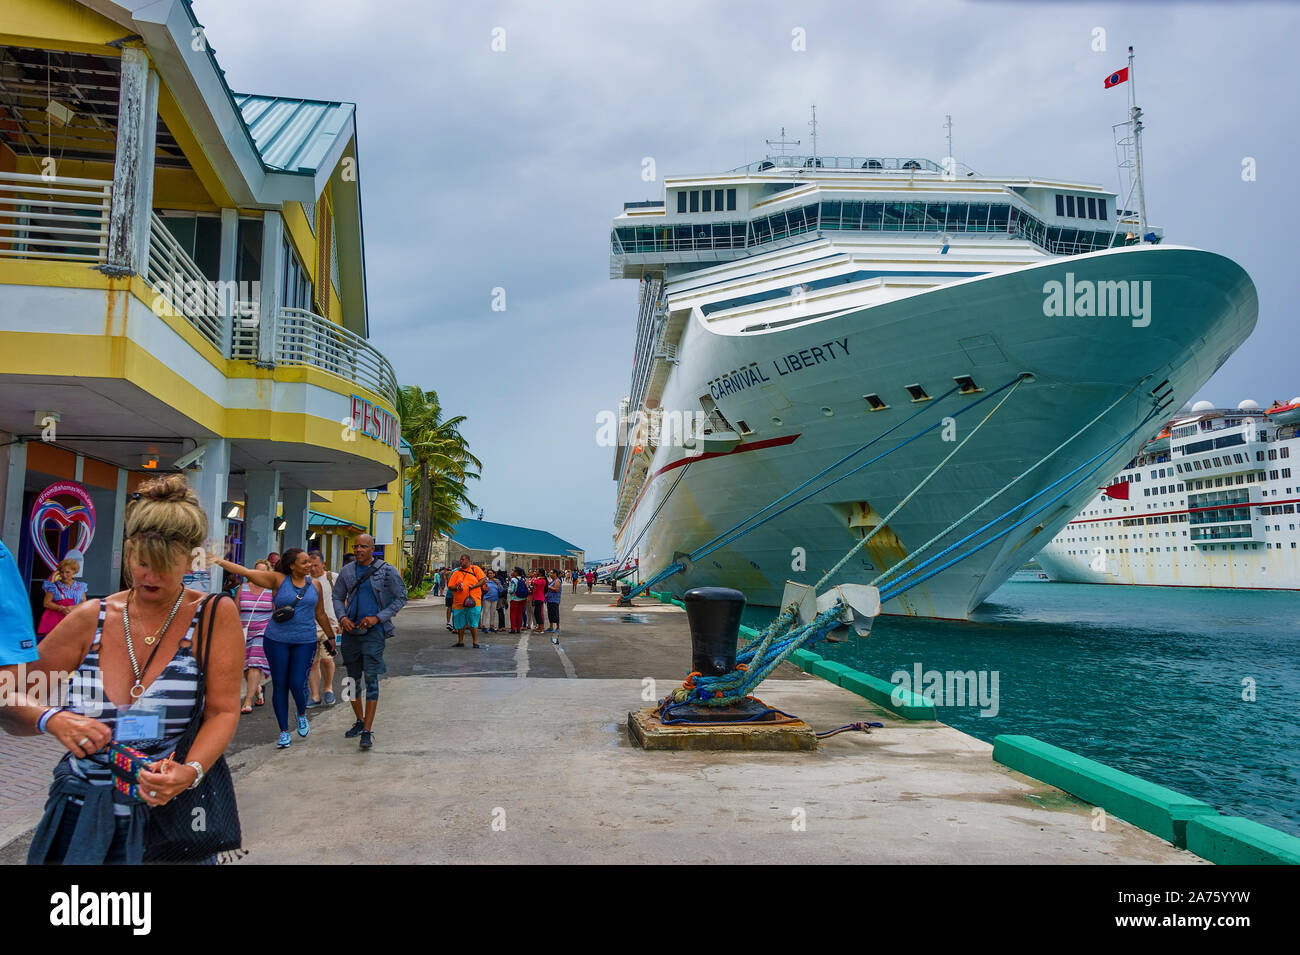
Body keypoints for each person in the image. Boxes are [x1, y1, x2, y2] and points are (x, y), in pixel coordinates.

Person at [1, 474, 243, 865]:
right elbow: (8, 698)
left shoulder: (215, 616)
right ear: (129, 552)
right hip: (82, 815)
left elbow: (223, 711)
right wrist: (54, 719)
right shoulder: (89, 618)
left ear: (191, 558)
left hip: (172, 820)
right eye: (142, 563)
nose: (151, 577)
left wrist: (191, 771)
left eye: (165, 566)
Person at [214, 548, 333, 748]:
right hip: (276, 639)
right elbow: (245, 572)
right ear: (292, 565)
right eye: (304, 562)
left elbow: (320, 613)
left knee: (297, 682)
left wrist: (330, 636)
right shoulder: (277, 580)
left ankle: (301, 714)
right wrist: (217, 560)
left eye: (310, 562)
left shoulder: (316, 586)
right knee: (280, 684)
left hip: (305, 640)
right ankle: (284, 731)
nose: (309, 566)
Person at [332, 534, 407, 750]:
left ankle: (367, 730)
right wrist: (342, 617)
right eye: (355, 546)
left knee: (371, 677)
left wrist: (379, 617)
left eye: (363, 546)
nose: (358, 550)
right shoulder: (347, 571)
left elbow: (401, 596)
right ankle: (359, 720)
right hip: (350, 631)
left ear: (373, 548)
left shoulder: (386, 570)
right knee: (351, 678)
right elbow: (337, 596)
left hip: (373, 632)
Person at [236, 560, 273, 713]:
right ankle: (257, 689)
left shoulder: (271, 591)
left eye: (263, 571)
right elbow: (234, 610)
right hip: (244, 632)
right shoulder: (242, 588)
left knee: (254, 664)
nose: (259, 574)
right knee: (245, 666)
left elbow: (278, 613)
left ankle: (247, 701)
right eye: (256, 571)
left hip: (263, 631)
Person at [306, 551, 340, 707]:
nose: (312, 569)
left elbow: (343, 599)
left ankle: (328, 688)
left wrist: (342, 619)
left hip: (329, 627)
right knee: (312, 663)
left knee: (327, 659)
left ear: (323, 564)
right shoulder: (304, 580)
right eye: (310, 565)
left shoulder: (332, 578)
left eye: (316, 565)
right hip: (309, 627)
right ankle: (314, 696)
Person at [37, 559, 87, 641]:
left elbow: (84, 602)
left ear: (74, 572)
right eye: (61, 572)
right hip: (57, 622)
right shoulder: (53, 586)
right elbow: (46, 603)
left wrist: (73, 608)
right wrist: (61, 608)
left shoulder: (81, 586)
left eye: (67, 572)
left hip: (75, 620)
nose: (64, 575)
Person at [448, 553, 487, 648]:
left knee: (473, 622)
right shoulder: (456, 572)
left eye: (463, 559)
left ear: (468, 561)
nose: (461, 561)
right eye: (460, 560)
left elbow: (483, 580)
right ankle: (460, 641)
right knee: (460, 622)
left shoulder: (475, 569)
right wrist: (457, 588)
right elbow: (450, 586)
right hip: (459, 602)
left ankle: (475, 642)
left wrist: (474, 586)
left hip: (474, 601)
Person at [507, 566, 529, 633]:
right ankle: (518, 628)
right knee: (519, 614)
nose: (512, 572)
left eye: (513, 571)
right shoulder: (523, 579)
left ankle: (513, 628)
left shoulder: (513, 580)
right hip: (522, 599)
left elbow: (512, 590)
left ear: (516, 572)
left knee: (513, 614)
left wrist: (508, 589)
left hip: (514, 599)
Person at [545, 569, 563, 640]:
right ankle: (551, 626)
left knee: (555, 613)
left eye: (552, 573)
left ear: (555, 574)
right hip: (550, 600)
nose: (550, 574)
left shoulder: (557, 581)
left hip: (554, 600)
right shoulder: (552, 581)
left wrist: (549, 587)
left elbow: (556, 589)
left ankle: (558, 627)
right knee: (550, 613)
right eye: (550, 573)